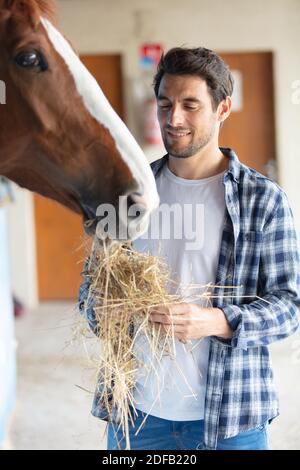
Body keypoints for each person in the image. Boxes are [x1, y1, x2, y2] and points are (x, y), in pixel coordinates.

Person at [79, 47, 300, 450]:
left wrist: (216, 321)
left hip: (232, 416)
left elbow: (290, 306)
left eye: (190, 105)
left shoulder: (262, 200)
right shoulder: (128, 196)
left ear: (223, 108)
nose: (173, 118)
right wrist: (108, 310)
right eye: (165, 104)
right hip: (137, 414)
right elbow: (89, 297)